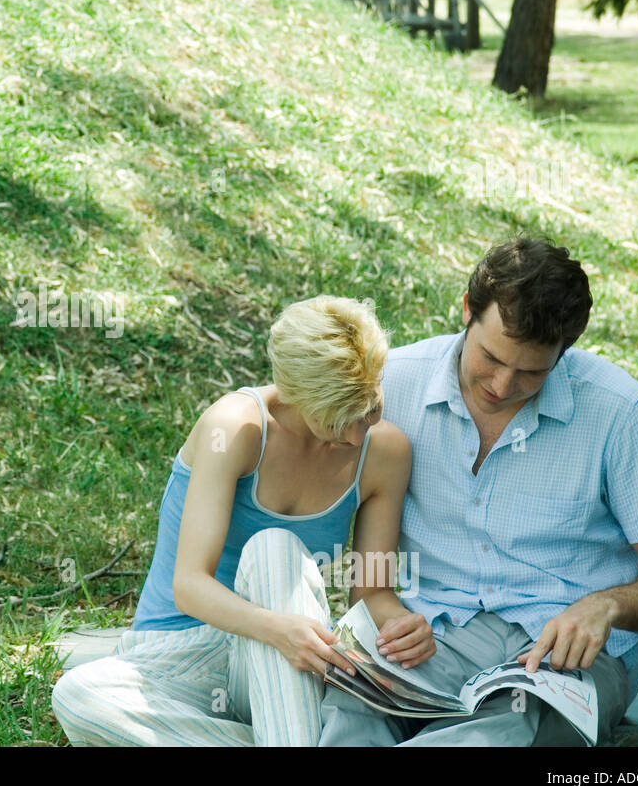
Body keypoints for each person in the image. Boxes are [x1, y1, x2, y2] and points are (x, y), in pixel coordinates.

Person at [318, 238, 638, 746]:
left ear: (565, 350)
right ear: (466, 310)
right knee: (350, 701)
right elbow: (365, 532)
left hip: (561, 657)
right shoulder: (394, 385)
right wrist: (380, 604)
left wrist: (608, 605)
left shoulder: (621, 414)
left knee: (510, 728)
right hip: (429, 634)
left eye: (531, 372)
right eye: (491, 358)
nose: (502, 386)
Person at [51, 295, 428, 745]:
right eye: (335, 419)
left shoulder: (386, 453)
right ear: (295, 394)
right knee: (79, 695)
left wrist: (401, 625)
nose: (354, 434)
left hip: (277, 668)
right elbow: (189, 585)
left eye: (368, 410)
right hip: (179, 656)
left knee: (276, 551)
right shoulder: (232, 428)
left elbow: (373, 592)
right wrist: (278, 630)